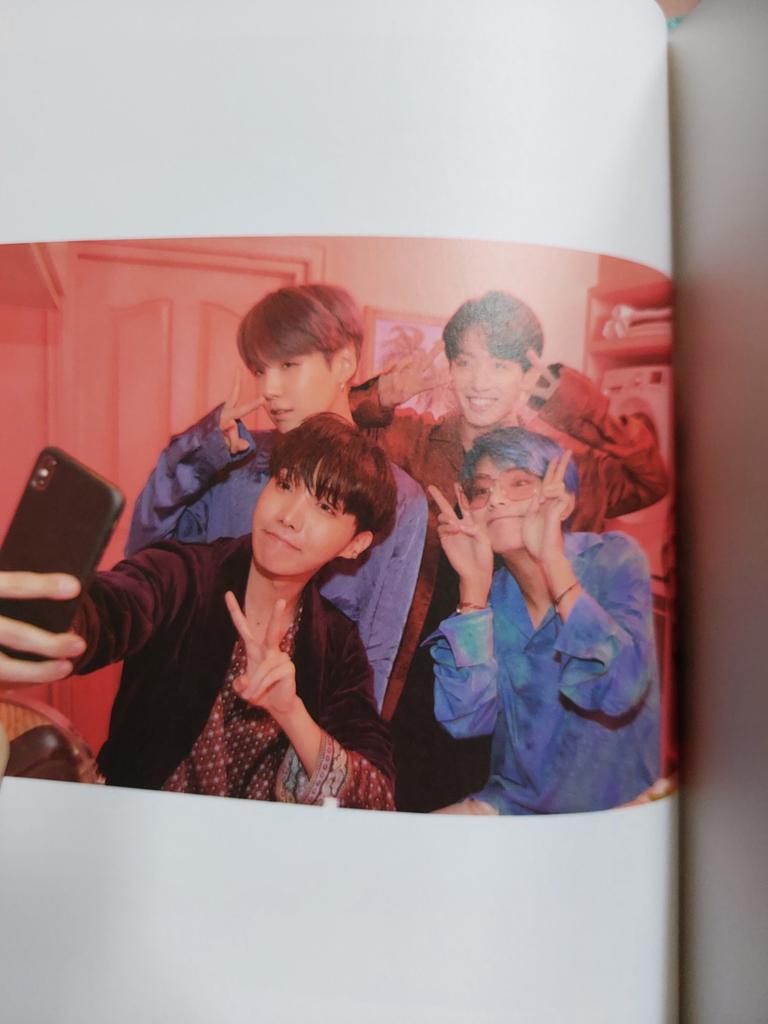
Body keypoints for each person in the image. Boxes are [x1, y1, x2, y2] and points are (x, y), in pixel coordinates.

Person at [351, 289, 668, 810]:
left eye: (499, 365)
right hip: (426, 667)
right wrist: (384, 394)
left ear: (526, 376)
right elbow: (334, 434)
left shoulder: (554, 465)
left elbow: (649, 477)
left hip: (532, 686)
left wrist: (571, 403)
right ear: (450, 368)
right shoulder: (416, 442)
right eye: (465, 362)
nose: (480, 382)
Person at [2, 416, 398, 809]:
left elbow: (376, 798)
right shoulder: (183, 575)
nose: (288, 516)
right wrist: (47, 618)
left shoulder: (338, 644)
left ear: (355, 544)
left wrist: (290, 712)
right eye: (285, 484)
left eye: (324, 506)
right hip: (135, 828)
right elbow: (110, 608)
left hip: (259, 845)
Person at [127, 283, 426, 712]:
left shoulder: (398, 497)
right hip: (187, 712)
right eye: (260, 369)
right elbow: (145, 559)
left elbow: (375, 656)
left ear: (344, 363)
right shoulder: (231, 458)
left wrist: (329, 747)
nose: (268, 388)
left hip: (302, 725)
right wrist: (197, 457)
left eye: (288, 365)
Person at [426, 427, 660, 814]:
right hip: (513, 806)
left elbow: (617, 694)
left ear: (563, 502)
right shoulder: (490, 600)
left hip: (619, 808)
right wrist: (472, 591)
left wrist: (552, 562)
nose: (495, 499)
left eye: (519, 483)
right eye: (481, 490)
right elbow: (466, 722)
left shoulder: (613, 559)